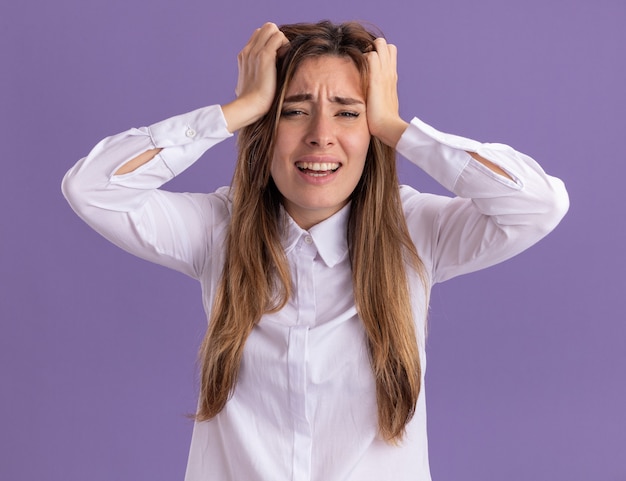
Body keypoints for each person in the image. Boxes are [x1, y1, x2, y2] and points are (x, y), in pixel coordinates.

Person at [62, 20, 569, 481]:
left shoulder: (415, 230)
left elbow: (536, 204)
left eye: (348, 113)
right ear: (265, 127)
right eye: (294, 111)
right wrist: (236, 111)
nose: (321, 136)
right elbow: (92, 188)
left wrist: (398, 129)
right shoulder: (218, 228)